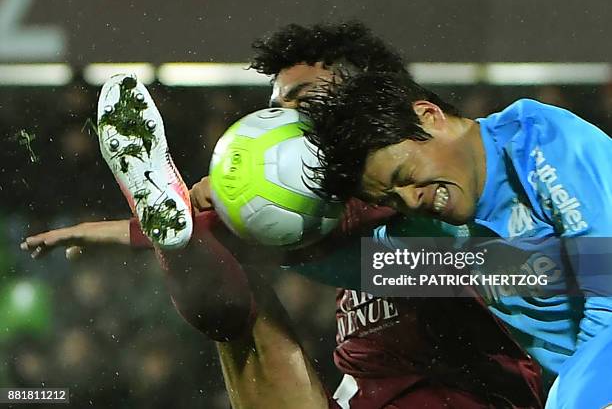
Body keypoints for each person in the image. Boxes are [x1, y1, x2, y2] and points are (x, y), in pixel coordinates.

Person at [21, 22, 543, 408]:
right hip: (358, 396)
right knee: (236, 306)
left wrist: (184, 228)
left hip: (468, 398)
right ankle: (179, 241)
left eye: (305, 100)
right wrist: (175, 226)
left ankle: (180, 241)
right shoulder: (332, 215)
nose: (285, 120)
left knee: (234, 253)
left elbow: (575, 265)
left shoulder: (446, 188)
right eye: (278, 106)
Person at [300, 71, 612, 408]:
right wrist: (270, 241)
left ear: (429, 116)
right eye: (391, 199)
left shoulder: (538, 140)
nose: (410, 200)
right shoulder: (447, 232)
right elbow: (364, 266)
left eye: (404, 176)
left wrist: (575, 400)